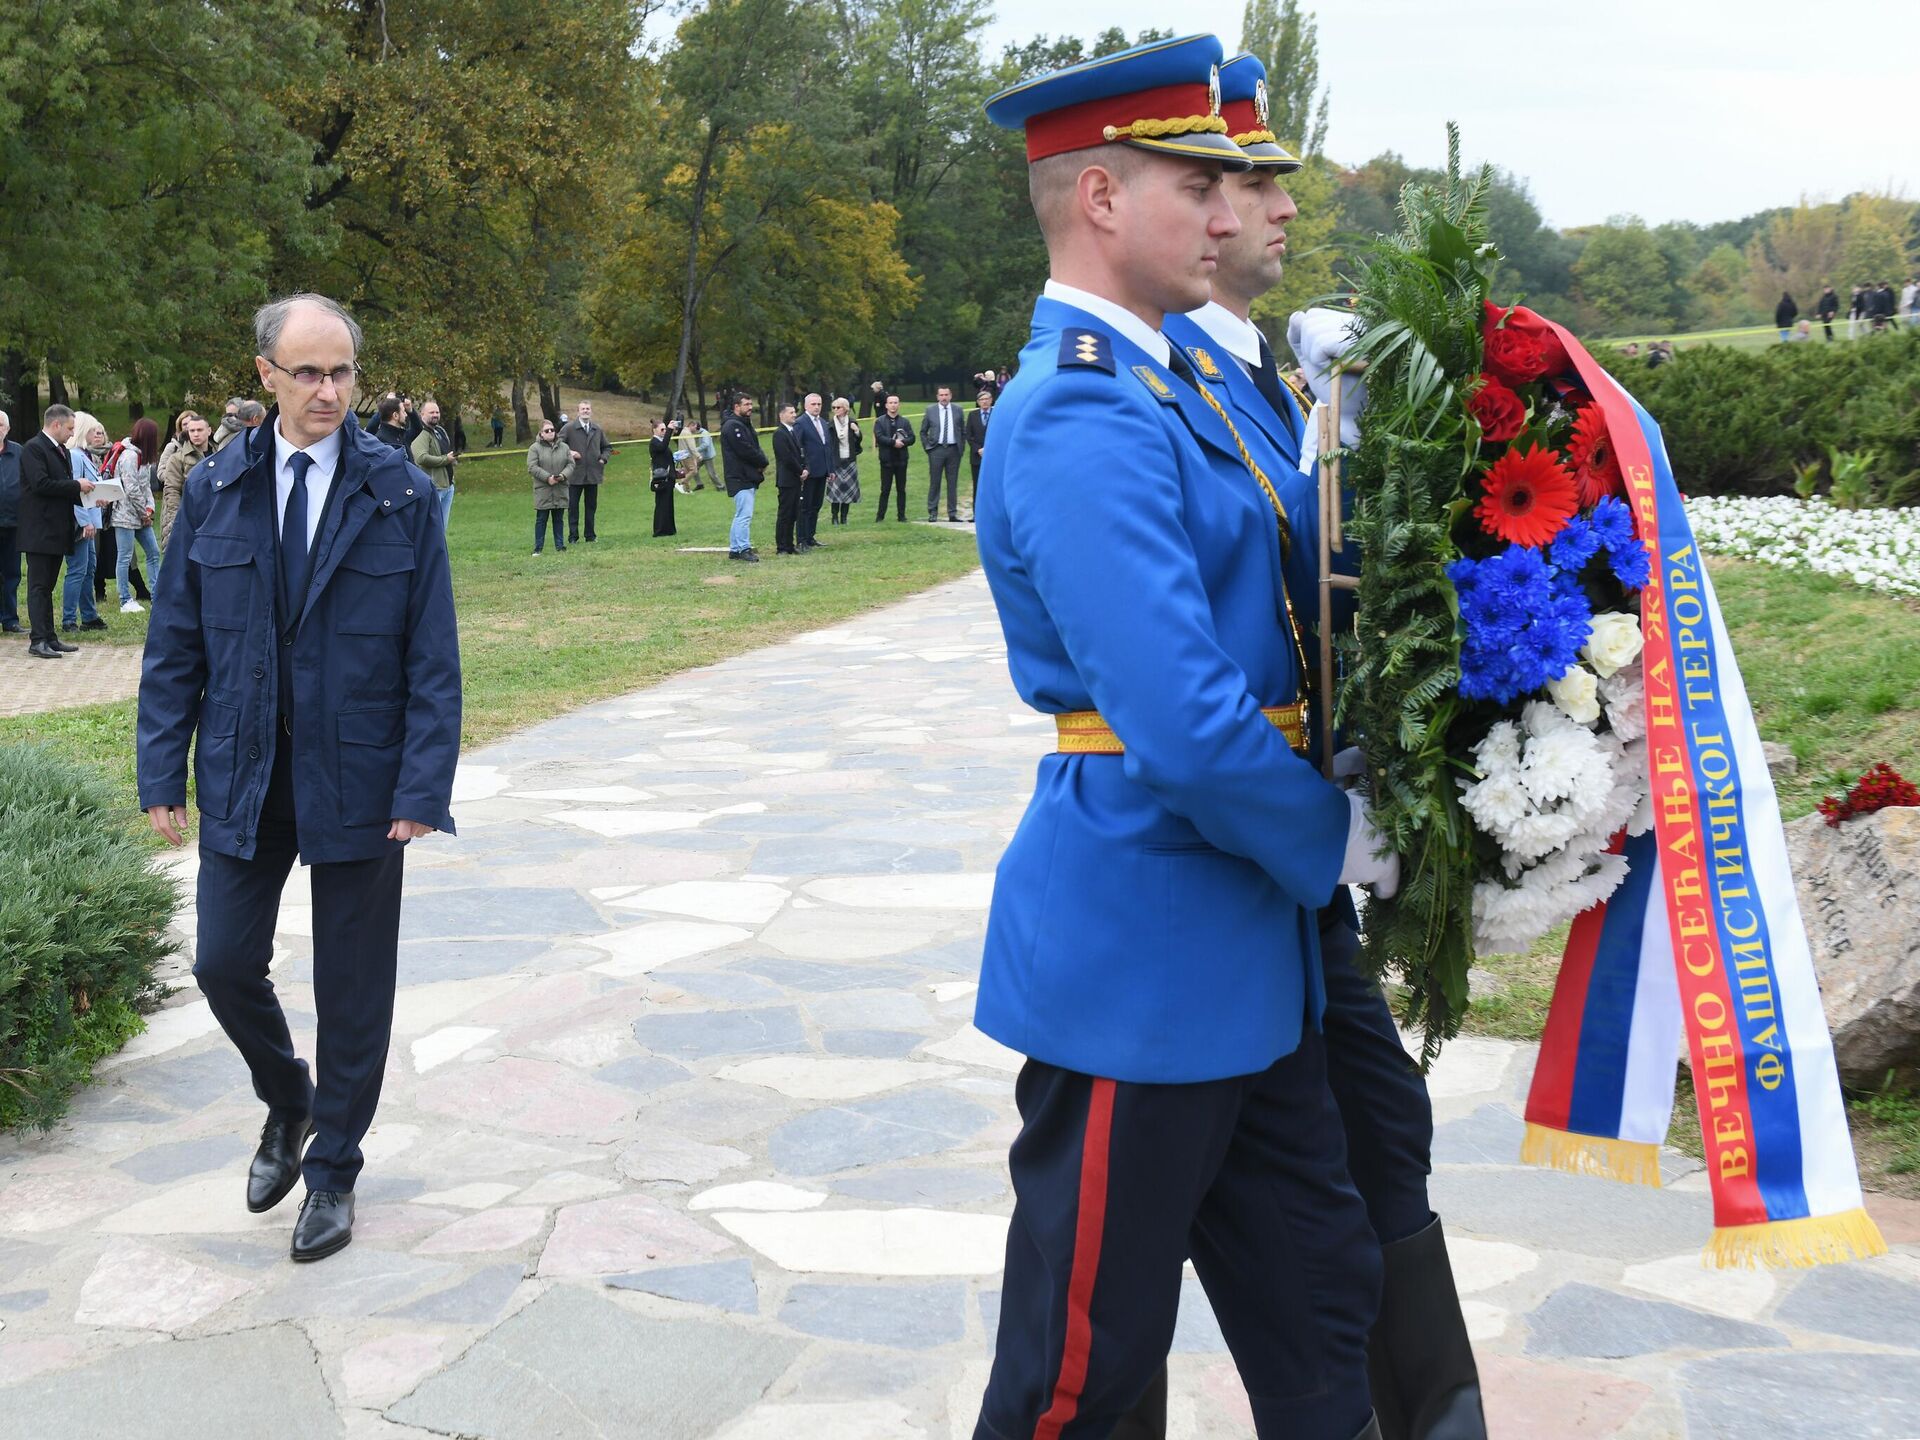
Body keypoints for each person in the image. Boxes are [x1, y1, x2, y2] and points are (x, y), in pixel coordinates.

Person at [973, 35, 1396, 1440]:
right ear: (1100, 200)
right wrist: (1341, 841)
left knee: (1323, 1302)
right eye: (1192, 184)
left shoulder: (1165, 386)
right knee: (1083, 1375)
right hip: (1142, 958)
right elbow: (1186, 722)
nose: (1231, 215)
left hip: (1243, 946)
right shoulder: (1079, 412)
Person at [1159, 50, 1484, 1438]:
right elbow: (1190, 680)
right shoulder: (1158, 384)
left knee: (1380, 1140)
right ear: (1193, 208)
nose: (1281, 207)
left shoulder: (1257, 382)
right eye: (1250, 181)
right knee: (1118, 1257)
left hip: (1295, 856)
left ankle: (1432, 1416)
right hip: (1217, 861)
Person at [137, 293, 460, 1264]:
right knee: (223, 962)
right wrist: (163, 768)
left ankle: (333, 1170)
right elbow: (175, 643)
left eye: (343, 373)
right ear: (267, 376)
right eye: (309, 373)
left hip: (359, 774)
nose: (329, 392)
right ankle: (289, 1100)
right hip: (243, 766)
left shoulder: (397, 492)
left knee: (354, 987)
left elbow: (432, 658)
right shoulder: (221, 487)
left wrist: (419, 788)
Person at [18, 406, 92, 658]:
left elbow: (64, 490)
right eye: (70, 428)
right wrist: (76, 485)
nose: (72, 434)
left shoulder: (62, 451)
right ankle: (37, 640)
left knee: (48, 587)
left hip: (57, 529)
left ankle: (50, 636)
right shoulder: (34, 448)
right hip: (39, 531)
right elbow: (41, 484)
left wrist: (90, 496)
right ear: (56, 425)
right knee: (38, 587)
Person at [111, 417, 164, 612]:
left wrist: (150, 508)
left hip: (141, 514)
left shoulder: (144, 457)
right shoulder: (130, 457)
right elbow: (131, 488)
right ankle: (125, 599)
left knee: (153, 552)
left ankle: (157, 592)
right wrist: (144, 513)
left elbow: (145, 487)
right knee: (124, 556)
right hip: (124, 514)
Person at [62, 414, 109, 633]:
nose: (96, 434)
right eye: (92, 430)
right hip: (81, 523)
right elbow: (75, 493)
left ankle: (89, 616)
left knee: (88, 569)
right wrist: (83, 522)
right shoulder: (75, 456)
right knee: (78, 570)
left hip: (88, 519)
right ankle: (69, 619)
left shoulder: (84, 455)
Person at [719, 392, 766, 562]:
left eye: (751, 404)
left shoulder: (743, 424)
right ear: (736, 407)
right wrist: (762, 461)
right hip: (739, 476)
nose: (750, 407)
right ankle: (743, 548)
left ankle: (735, 548)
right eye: (746, 404)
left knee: (741, 514)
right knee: (744, 515)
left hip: (745, 475)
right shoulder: (733, 426)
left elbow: (753, 445)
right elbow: (745, 449)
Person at [560, 400, 613, 543]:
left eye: (588, 409)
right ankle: (573, 536)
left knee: (591, 507)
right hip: (574, 474)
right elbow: (558, 445)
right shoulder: (569, 428)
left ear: (591, 411)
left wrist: (603, 459)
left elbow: (607, 447)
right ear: (578, 411)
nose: (585, 411)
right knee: (573, 507)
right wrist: (570, 452)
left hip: (593, 474)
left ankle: (590, 535)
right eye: (583, 409)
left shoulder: (597, 429)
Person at [158, 411, 210, 547]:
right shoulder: (176, 456)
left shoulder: (219, 453)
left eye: (199, 430)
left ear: (209, 431)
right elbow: (172, 490)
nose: (195, 433)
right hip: (186, 515)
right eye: (191, 430)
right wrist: (178, 520)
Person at [409, 399, 459, 530]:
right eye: (431, 412)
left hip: (447, 485)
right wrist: (445, 460)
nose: (435, 415)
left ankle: (440, 551)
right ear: (422, 414)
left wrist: (452, 459)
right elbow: (420, 458)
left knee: (442, 528)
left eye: (437, 412)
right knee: (431, 529)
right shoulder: (421, 433)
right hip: (433, 487)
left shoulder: (440, 430)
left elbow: (445, 451)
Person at [794, 392, 835, 550]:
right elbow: (798, 448)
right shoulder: (800, 423)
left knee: (816, 505)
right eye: (813, 404)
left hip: (822, 471)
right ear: (805, 406)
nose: (817, 407)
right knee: (805, 507)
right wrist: (803, 468)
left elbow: (827, 448)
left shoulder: (824, 423)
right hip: (809, 472)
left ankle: (810, 536)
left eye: (819, 404)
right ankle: (802, 539)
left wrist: (830, 468)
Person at [528, 418, 574, 553]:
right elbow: (532, 466)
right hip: (543, 490)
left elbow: (571, 464)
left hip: (560, 488)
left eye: (552, 430)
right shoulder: (534, 448)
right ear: (541, 433)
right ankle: (538, 548)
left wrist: (562, 476)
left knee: (559, 519)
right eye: (547, 430)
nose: (550, 432)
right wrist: (547, 477)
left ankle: (560, 546)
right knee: (541, 519)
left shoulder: (564, 447)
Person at [919, 384, 964, 521]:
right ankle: (933, 512)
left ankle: (952, 513)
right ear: (937, 396)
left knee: (952, 482)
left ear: (950, 396)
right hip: (936, 450)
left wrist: (961, 447)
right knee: (935, 482)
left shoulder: (958, 410)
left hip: (953, 450)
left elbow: (963, 430)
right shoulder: (930, 410)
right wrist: (928, 447)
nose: (944, 397)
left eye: (946, 395)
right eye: (941, 395)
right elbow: (923, 431)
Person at [873, 393, 914, 521]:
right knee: (885, 489)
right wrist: (893, 442)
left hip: (901, 460)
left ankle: (901, 516)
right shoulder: (879, 421)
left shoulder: (905, 422)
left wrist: (903, 442)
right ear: (886, 405)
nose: (893, 405)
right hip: (886, 461)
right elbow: (879, 437)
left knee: (901, 489)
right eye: (890, 403)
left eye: (895, 403)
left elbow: (912, 438)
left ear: (899, 405)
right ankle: (880, 517)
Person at [771, 402, 805, 556]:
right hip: (787, 479)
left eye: (794, 412)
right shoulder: (780, 433)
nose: (794, 415)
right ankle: (781, 546)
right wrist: (800, 471)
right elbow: (786, 457)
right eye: (790, 412)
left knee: (793, 513)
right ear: (782, 415)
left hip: (795, 479)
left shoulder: (791, 432)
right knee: (785, 513)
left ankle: (789, 545)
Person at [826, 395, 862, 525]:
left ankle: (844, 518)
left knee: (847, 491)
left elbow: (858, 440)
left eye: (838, 407)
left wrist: (857, 431)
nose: (835, 409)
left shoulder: (852, 422)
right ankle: (834, 517)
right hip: (835, 461)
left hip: (849, 460)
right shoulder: (829, 424)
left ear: (845, 408)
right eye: (834, 407)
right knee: (836, 491)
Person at [0, 410, 19, 634]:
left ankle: (10, 618)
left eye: (1, 425)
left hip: (14, 523)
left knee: (12, 573)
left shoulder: (18, 453)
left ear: (8, 429)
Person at [963, 387, 992, 522]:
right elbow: (969, 435)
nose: (985, 402)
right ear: (978, 402)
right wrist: (978, 449)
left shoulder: (996, 414)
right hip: (977, 456)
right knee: (977, 485)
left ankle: (991, 514)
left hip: (992, 457)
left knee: (992, 486)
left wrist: (988, 449)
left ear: (991, 400)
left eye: (987, 399)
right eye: (982, 399)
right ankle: (977, 514)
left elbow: (999, 435)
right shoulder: (972, 415)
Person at [648, 419, 678, 538]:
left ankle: (669, 529)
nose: (664, 431)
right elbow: (662, 447)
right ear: (654, 430)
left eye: (665, 429)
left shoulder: (661, 441)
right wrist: (670, 431)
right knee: (661, 504)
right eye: (662, 429)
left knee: (668, 503)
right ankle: (660, 529)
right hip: (661, 478)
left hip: (669, 476)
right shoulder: (654, 442)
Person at [688, 420, 719, 491]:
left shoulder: (704, 433)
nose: (690, 428)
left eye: (691, 427)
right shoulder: (699, 433)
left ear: (695, 426)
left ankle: (720, 486)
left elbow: (705, 445)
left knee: (711, 473)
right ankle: (699, 484)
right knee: (694, 469)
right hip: (701, 456)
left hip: (708, 456)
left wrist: (695, 450)